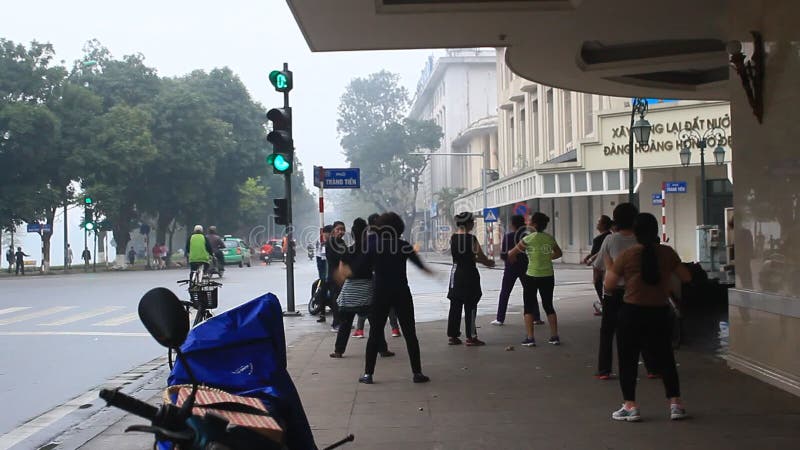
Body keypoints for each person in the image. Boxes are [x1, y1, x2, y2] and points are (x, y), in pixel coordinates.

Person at [604, 213, 692, 422]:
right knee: (666, 359)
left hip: (632, 312)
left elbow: (609, 285)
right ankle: (675, 404)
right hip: (659, 313)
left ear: (635, 232)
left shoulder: (628, 254)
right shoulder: (667, 253)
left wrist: (613, 267)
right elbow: (687, 277)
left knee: (628, 360)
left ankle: (630, 406)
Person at [360, 212, 434, 385]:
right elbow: (420, 264)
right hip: (401, 292)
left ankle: (368, 374)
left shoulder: (375, 246)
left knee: (375, 333)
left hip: (380, 293)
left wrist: (345, 272)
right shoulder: (403, 245)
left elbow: (361, 266)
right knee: (410, 333)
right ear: (399, 228)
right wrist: (431, 272)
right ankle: (417, 373)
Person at [593, 203, 656, 380]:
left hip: (614, 293)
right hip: (638, 291)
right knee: (642, 329)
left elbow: (598, 266)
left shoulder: (610, 240)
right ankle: (652, 367)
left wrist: (598, 277)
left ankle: (604, 369)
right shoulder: (642, 240)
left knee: (607, 331)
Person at [330, 218, 394, 358]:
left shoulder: (348, 251)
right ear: (366, 234)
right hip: (368, 291)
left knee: (345, 322)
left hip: (350, 292)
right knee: (375, 323)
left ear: (352, 235)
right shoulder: (372, 251)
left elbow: (341, 273)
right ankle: (382, 349)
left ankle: (338, 350)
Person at [508, 212, 563, 347]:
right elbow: (559, 253)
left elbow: (511, 253)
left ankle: (530, 338)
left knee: (528, 306)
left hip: (531, 276)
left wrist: (515, 260)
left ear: (535, 225)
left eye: (530, 222)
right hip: (548, 276)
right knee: (548, 305)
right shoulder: (550, 238)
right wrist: (547, 258)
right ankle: (554, 336)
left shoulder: (528, 239)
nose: (528, 224)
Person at [447, 212, 495, 346]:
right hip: (469, 274)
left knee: (455, 305)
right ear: (468, 224)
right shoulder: (471, 239)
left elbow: (461, 255)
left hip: (455, 274)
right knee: (471, 305)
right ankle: (471, 337)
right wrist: (488, 262)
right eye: (472, 222)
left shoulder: (453, 238)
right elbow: (479, 256)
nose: (473, 224)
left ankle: (453, 335)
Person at [353, 214, 401, 339]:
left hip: (372, 278)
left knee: (367, 304)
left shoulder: (368, 240)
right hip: (388, 278)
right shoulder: (389, 239)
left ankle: (360, 330)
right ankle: (395, 328)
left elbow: (362, 262)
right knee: (389, 305)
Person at [492, 214, 542, 326]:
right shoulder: (528, 236)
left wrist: (510, 257)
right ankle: (536, 317)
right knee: (530, 292)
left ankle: (500, 318)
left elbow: (503, 255)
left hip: (511, 268)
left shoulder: (508, 236)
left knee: (505, 293)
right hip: (526, 267)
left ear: (512, 225)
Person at [318, 221, 346, 330]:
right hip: (334, 275)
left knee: (342, 299)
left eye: (342, 229)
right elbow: (334, 258)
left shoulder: (342, 242)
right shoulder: (330, 243)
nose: (340, 232)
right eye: (338, 229)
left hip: (342, 275)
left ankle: (342, 321)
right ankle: (336, 323)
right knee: (336, 299)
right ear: (333, 231)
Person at [583, 215, 613, 316]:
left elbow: (600, 252)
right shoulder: (610, 235)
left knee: (598, 283)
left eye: (599, 222)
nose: (597, 224)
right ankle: (604, 304)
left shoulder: (602, 238)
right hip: (606, 264)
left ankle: (604, 304)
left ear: (603, 225)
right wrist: (589, 256)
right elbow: (596, 251)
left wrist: (591, 259)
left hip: (600, 265)